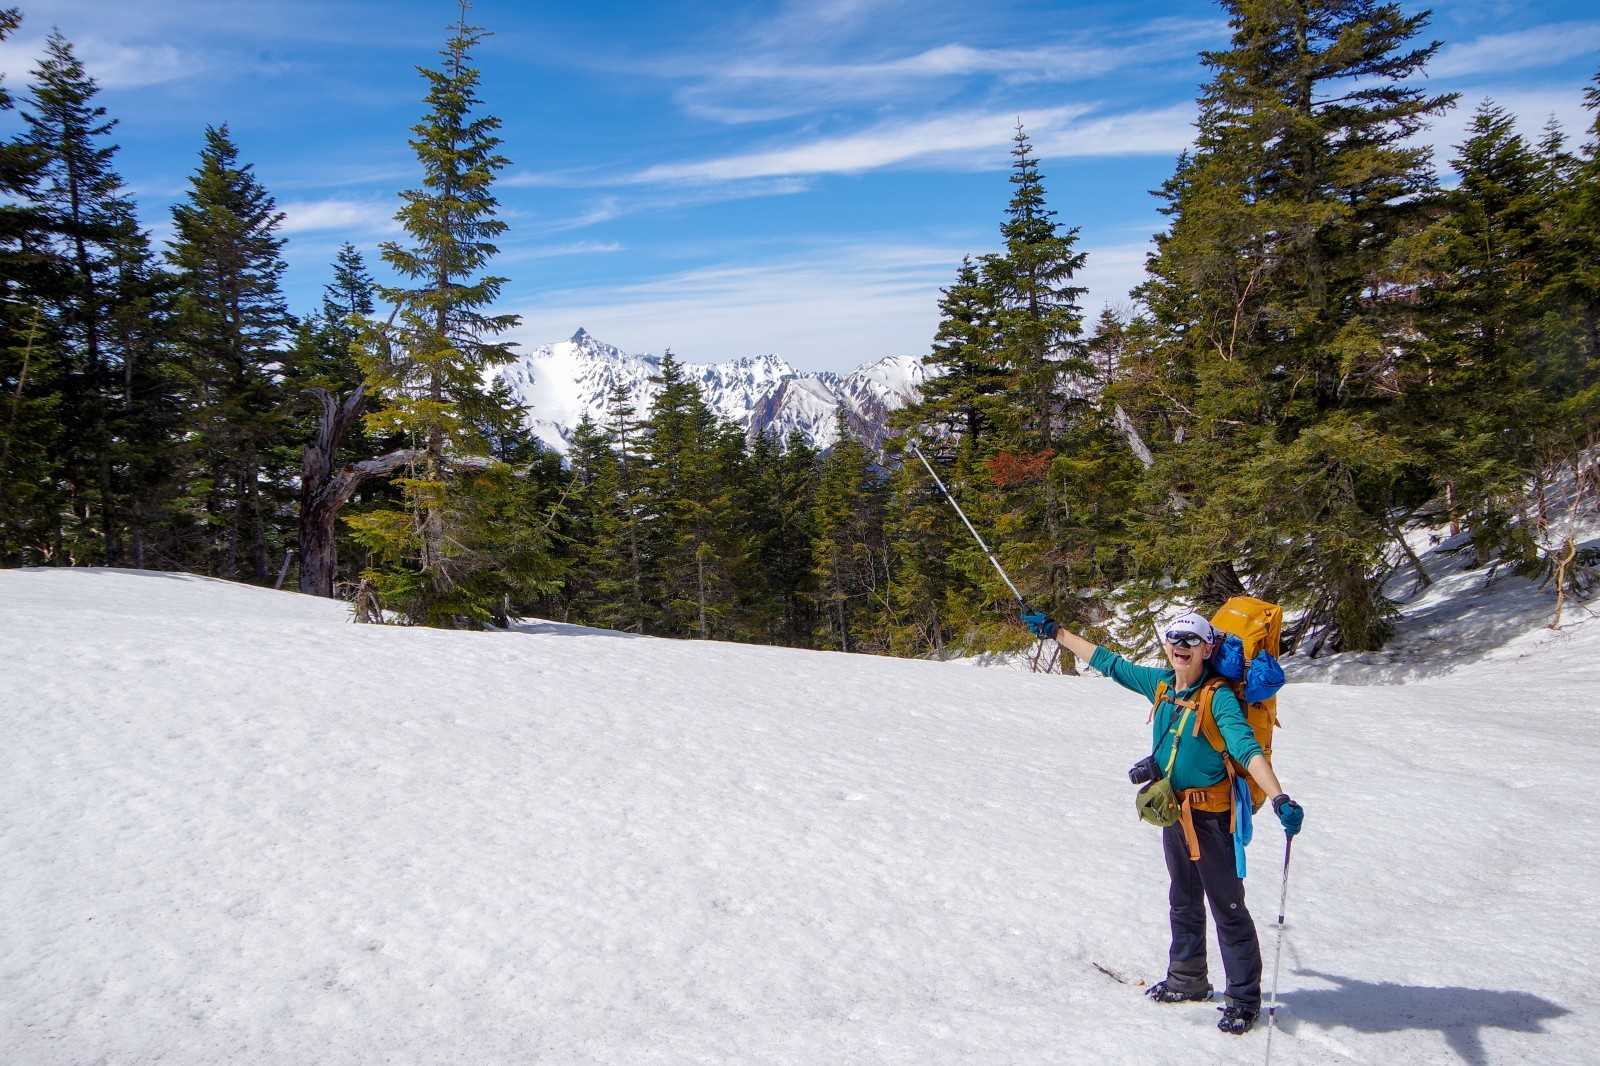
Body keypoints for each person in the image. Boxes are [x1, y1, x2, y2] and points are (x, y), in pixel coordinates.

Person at [1020, 607, 1305, 1036]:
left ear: (1207, 648)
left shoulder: (1219, 698)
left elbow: (1247, 750)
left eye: (1191, 641)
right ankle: (1187, 978)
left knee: (1227, 908)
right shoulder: (1163, 685)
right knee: (1183, 898)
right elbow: (1110, 663)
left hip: (1213, 820)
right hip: (1175, 812)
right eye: (1174, 639)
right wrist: (1058, 632)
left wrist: (1280, 797)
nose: (1181, 647)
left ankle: (1244, 1000)